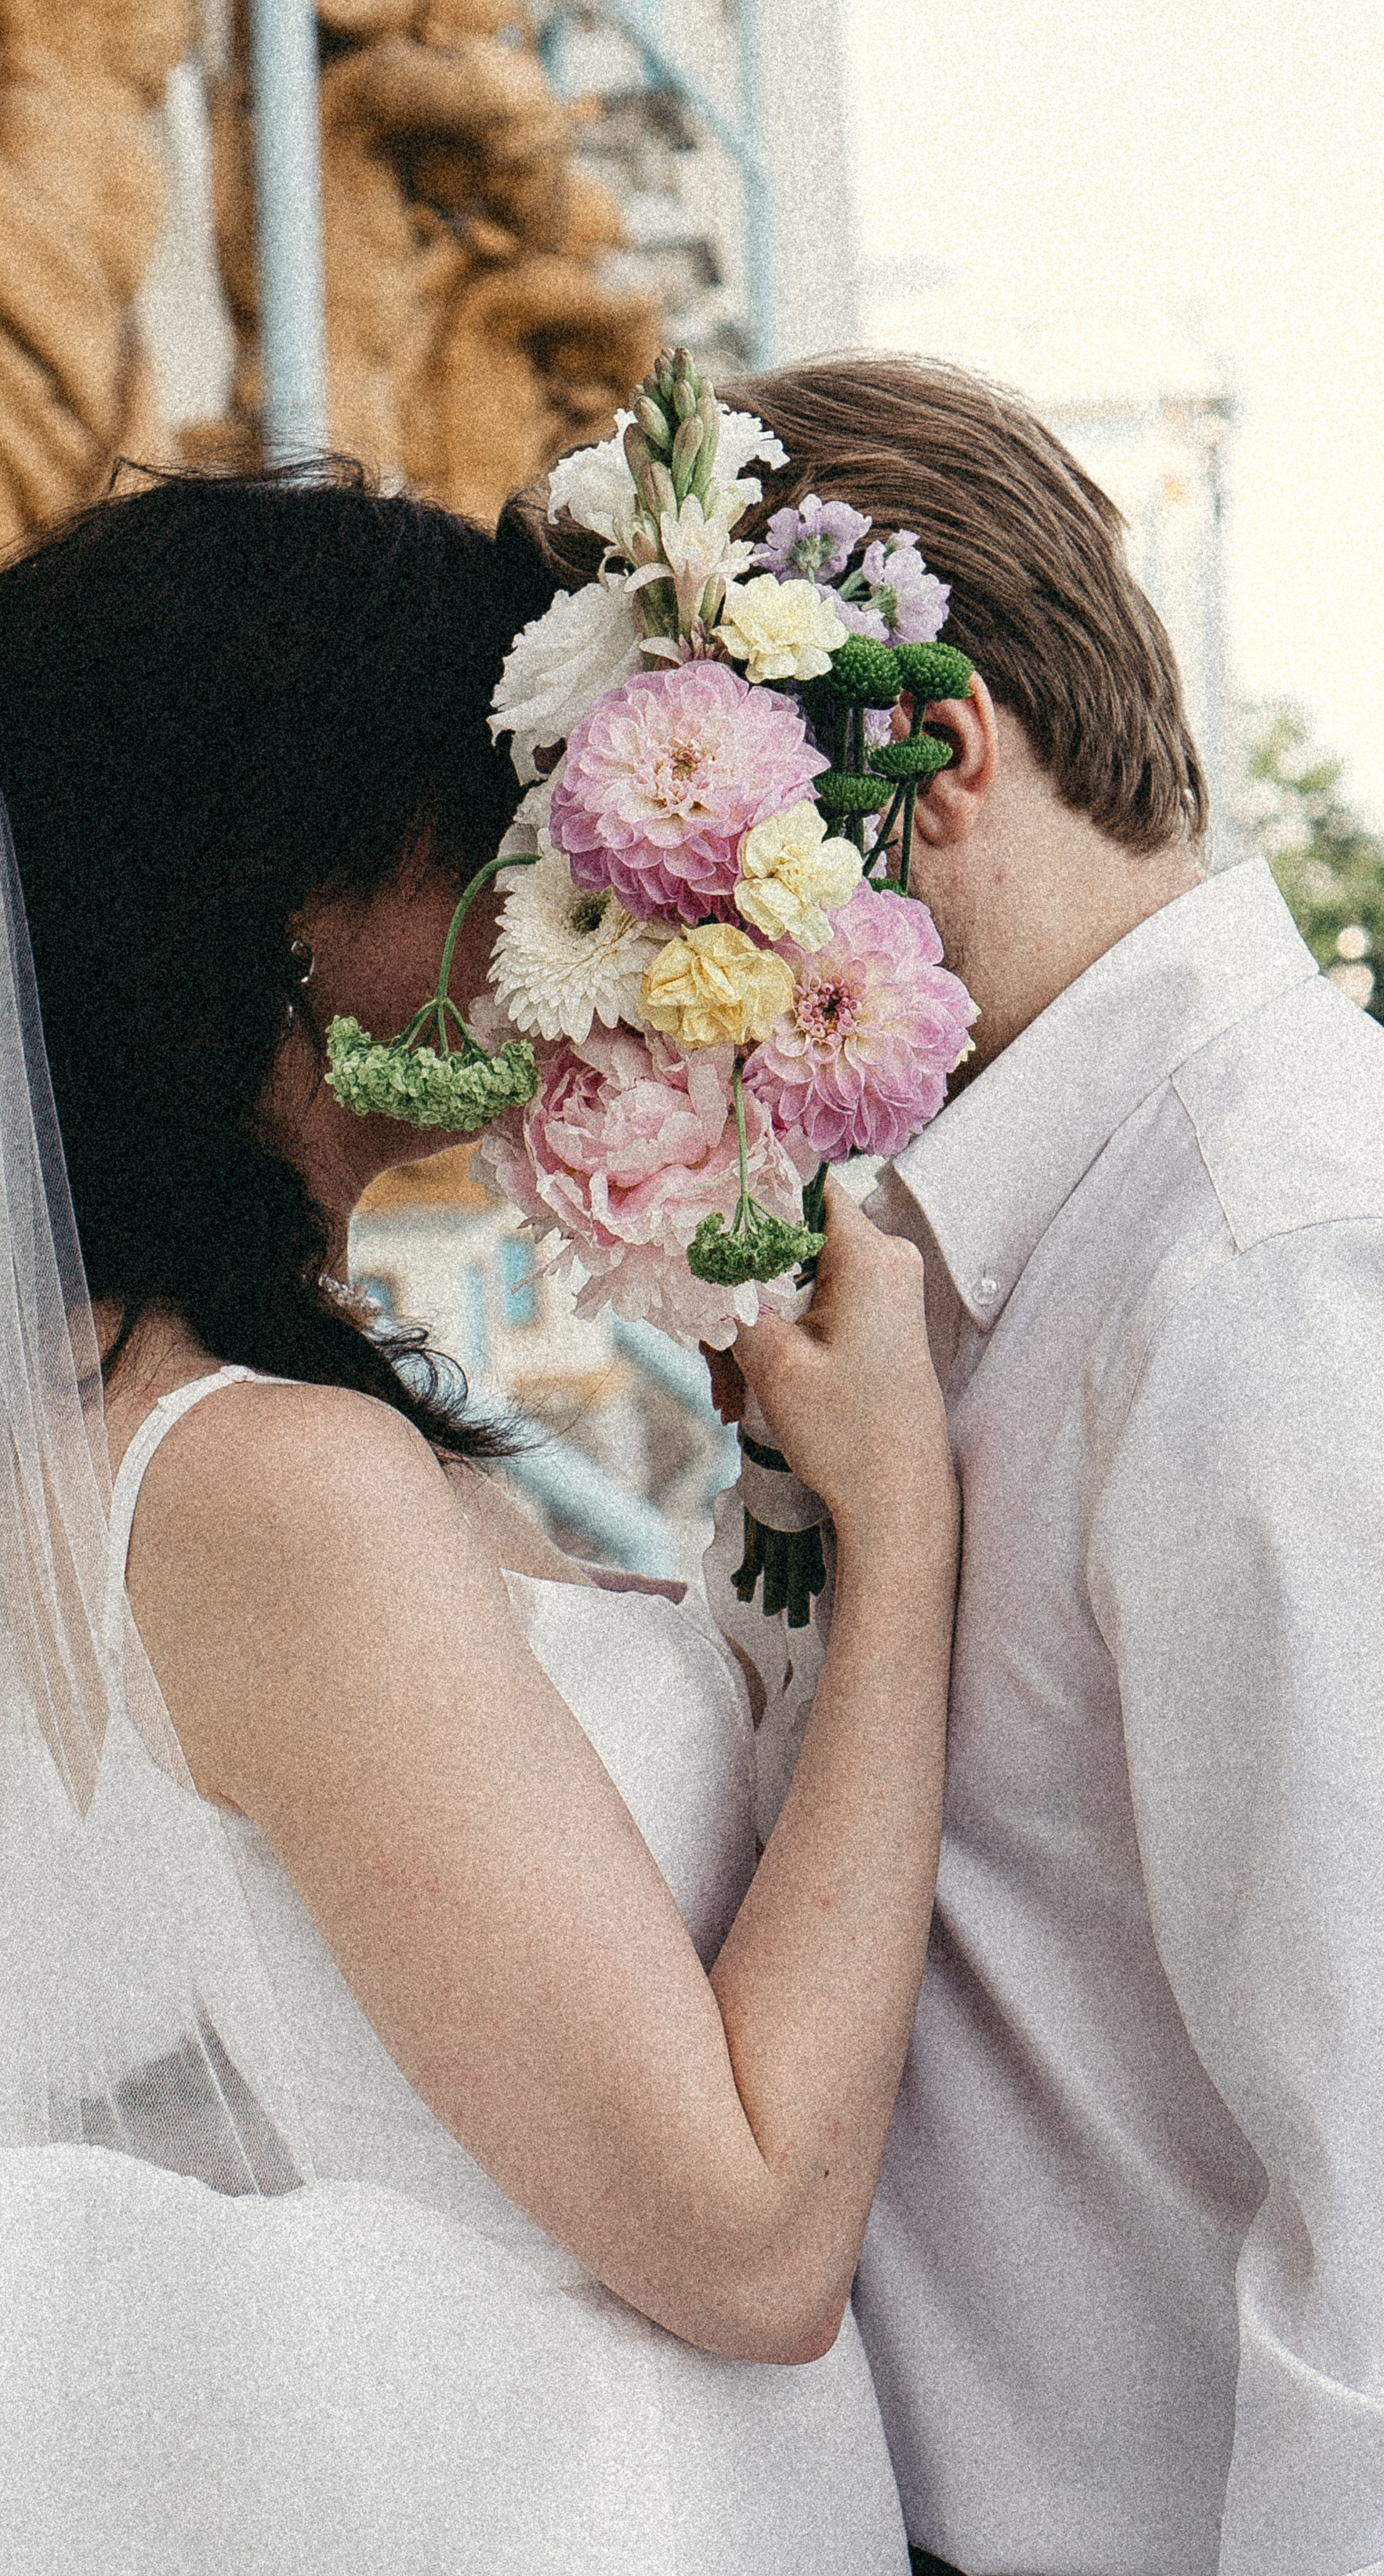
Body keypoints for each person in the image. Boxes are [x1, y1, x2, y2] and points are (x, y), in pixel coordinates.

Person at [0, 466, 956, 2571]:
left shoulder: (168, 1402)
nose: (558, 889)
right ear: (295, 902)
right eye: (491, 820)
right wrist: (904, 1539)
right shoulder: (269, 1480)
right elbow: (751, 2244)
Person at [714, 355, 1384, 2576]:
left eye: (691, 869)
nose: (673, 969)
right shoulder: (967, 1244)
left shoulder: (1273, 1261)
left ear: (926, 761)